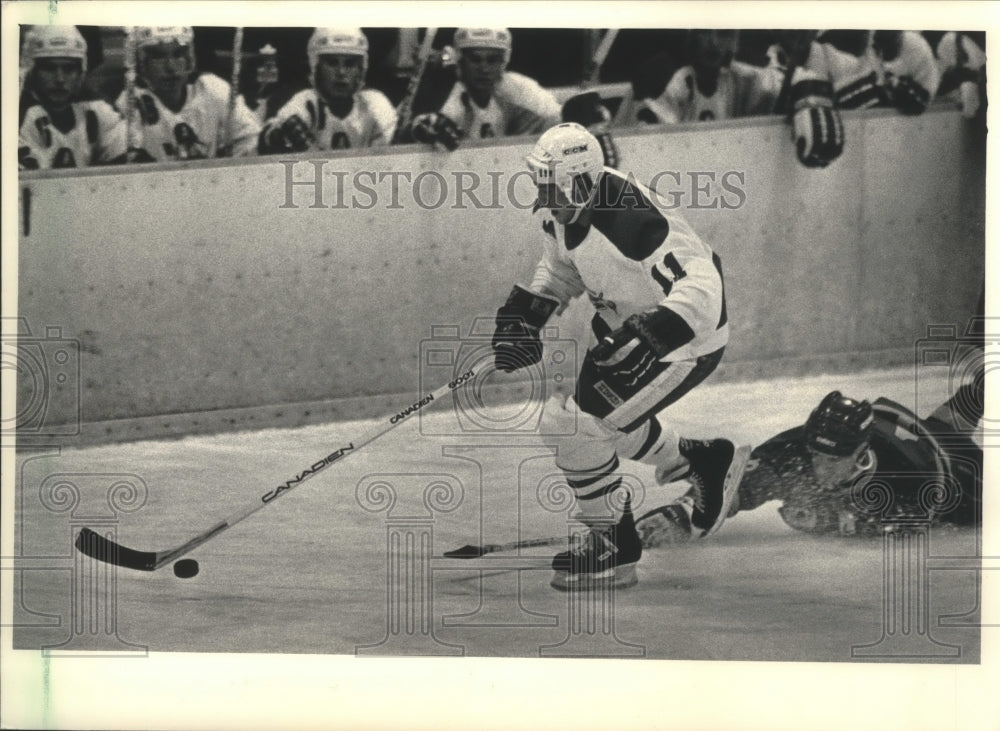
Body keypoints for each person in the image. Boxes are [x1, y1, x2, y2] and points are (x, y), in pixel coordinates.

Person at [491, 122, 750, 591]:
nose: (542, 194)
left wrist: (651, 333)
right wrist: (525, 313)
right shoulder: (564, 209)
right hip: (620, 331)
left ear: (581, 182)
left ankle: (614, 547)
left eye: (551, 184)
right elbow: (560, 266)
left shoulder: (635, 221)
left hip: (682, 343)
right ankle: (701, 461)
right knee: (580, 422)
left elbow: (704, 287)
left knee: (577, 429)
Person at [636, 388, 983, 545]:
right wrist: (678, 516)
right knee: (958, 410)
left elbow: (910, 524)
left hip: (964, 481)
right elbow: (733, 486)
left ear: (860, 452)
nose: (819, 468)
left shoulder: (907, 476)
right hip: (923, 433)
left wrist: (829, 521)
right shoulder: (795, 450)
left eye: (833, 460)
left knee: (956, 429)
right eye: (815, 455)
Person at [637, 29, 843, 169]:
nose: (714, 43)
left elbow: (783, 83)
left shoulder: (738, 77)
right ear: (692, 38)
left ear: (734, 42)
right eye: (705, 31)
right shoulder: (674, 80)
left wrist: (809, 94)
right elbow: (652, 147)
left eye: (724, 34)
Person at [118, 26, 260, 161]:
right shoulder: (130, 103)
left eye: (178, 54)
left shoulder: (213, 88)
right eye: (158, 57)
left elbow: (250, 139)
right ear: (142, 63)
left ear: (189, 58)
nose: (171, 67)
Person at [408, 28, 562, 150]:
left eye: (492, 60)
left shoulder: (519, 89)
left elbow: (560, 118)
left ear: (504, 61)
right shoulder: (445, 97)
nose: (484, 69)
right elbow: (406, 137)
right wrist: (419, 131)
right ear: (460, 60)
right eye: (475, 59)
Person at [259, 28, 397, 152]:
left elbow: (389, 157)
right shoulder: (307, 103)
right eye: (332, 63)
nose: (341, 72)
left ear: (360, 71)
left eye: (349, 64)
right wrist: (277, 135)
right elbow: (273, 132)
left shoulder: (375, 104)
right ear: (317, 68)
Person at [18, 25, 128, 169]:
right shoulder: (16, 116)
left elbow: (127, 165)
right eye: (49, 69)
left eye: (69, 69)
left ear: (81, 73)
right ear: (32, 72)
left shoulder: (96, 107)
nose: (60, 79)